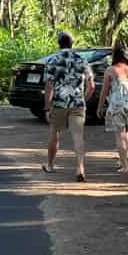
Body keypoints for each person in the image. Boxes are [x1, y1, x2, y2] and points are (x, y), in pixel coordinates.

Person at [42, 30, 94, 182]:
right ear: (72, 43)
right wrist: (83, 99)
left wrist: (47, 107)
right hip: (77, 103)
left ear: (59, 43)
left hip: (59, 103)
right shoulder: (82, 60)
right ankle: (80, 168)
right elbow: (91, 86)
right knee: (78, 136)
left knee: (54, 133)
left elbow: (49, 86)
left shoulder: (52, 60)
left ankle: (51, 165)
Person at [97, 45, 128, 173]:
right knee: (127, 132)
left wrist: (100, 106)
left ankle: (125, 166)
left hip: (117, 104)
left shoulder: (110, 70)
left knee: (119, 134)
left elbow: (104, 91)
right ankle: (122, 160)